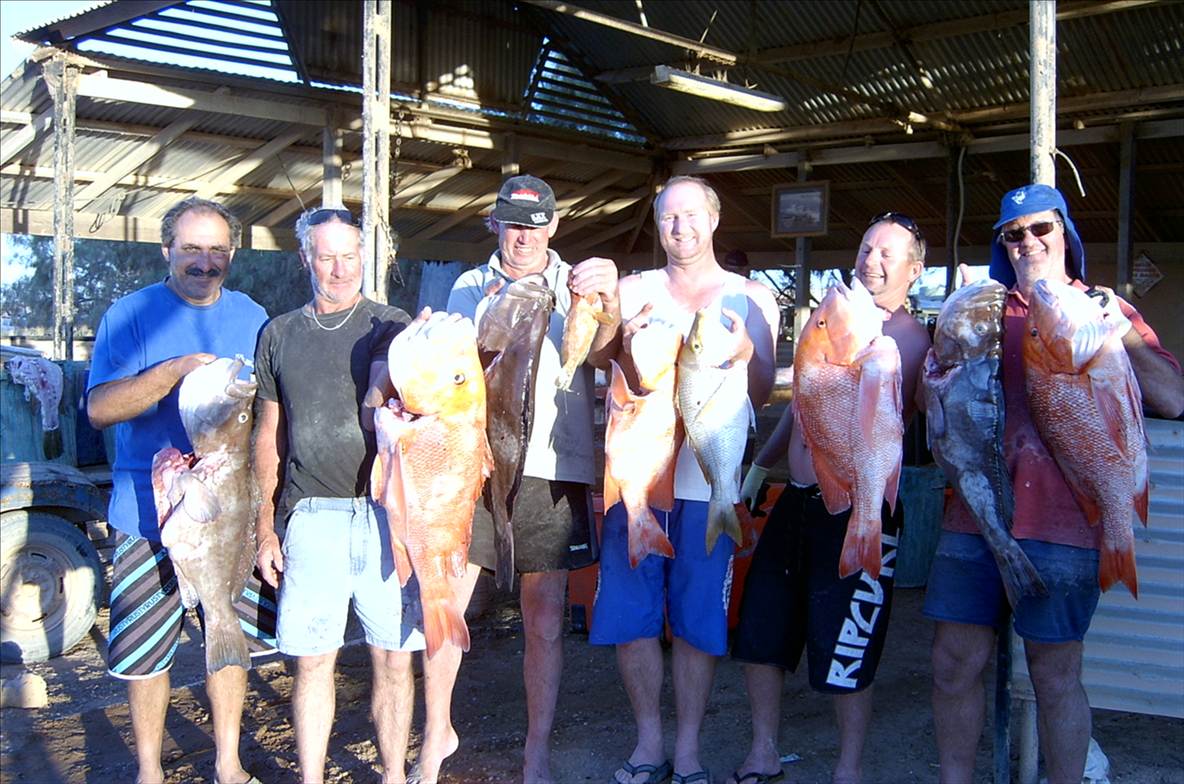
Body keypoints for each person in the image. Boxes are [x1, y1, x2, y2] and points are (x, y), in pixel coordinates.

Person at [924, 184, 1184, 784]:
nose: (1028, 242)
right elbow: (928, 408)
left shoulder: (1100, 308)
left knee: (1055, 673)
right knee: (952, 665)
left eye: (1041, 228)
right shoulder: (979, 309)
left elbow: (1172, 398)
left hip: (1064, 525)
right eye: (1013, 234)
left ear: (1065, 233)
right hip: (973, 516)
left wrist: (1119, 331)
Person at [410, 173, 621, 784]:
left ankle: (537, 750)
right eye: (512, 224)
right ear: (494, 224)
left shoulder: (578, 283)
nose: (523, 236)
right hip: (474, 464)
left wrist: (608, 310)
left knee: (545, 617)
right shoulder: (469, 286)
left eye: (534, 225)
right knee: (445, 603)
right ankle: (436, 734)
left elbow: (604, 355)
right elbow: (449, 366)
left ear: (553, 226)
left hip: (553, 469)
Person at [727, 212, 932, 784]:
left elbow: (892, 415)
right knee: (762, 626)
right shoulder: (836, 325)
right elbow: (804, 406)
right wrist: (760, 467)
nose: (872, 260)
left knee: (849, 642)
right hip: (796, 498)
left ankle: (848, 768)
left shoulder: (906, 340)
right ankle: (763, 750)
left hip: (861, 508)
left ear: (915, 270)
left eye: (888, 253)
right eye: (866, 248)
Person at [591, 175, 780, 784]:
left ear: (715, 219)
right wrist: (616, 334)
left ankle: (690, 749)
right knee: (633, 618)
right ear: (658, 225)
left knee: (698, 621)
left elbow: (762, 389)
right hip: (636, 481)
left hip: (706, 487)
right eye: (669, 217)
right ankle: (649, 742)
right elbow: (598, 361)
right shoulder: (633, 290)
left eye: (692, 214)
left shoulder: (752, 298)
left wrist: (747, 354)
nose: (681, 227)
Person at [87, 196, 273, 784]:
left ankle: (228, 763)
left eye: (217, 249)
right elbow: (98, 408)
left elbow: (269, 417)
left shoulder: (253, 317)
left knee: (227, 631)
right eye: (191, 248)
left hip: (229, 513)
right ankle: (149, 771)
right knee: (146, 654)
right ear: (166, 249)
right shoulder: (131, 314)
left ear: (232, 253)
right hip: (147, 516)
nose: (204, 261)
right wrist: (169, 374)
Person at [253, 206, 424, 784]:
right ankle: (311, 777)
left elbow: (402, 401)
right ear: (306, 259)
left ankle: (393, 775)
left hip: (384, 515)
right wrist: (265, 526)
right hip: (310, 514)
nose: (340, 268)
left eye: (350, 256)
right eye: (327, 257)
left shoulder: (389, 323)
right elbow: (269, 437)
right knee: (311, 662)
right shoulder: (278, 333)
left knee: (394, 658)